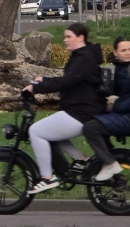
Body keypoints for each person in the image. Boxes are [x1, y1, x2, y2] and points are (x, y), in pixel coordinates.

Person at [22, 22, 106, 194]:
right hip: (81, 111)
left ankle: (47, 178)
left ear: (80, 38)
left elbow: (67, 82)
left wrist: (36, 87)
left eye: (69, 37)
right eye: (65, 36)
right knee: (51, 134)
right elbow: (69, 80)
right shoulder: (83, 55)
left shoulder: (83, 58)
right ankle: (80, 159)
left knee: (36, 131)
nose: (65, 40)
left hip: (81, 113)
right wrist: (44, 81)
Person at [83, 36, 130, 181]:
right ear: (115, 52)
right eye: (123, 50)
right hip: (127, 113)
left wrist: (117, 106)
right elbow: (121, 90)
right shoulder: (121, 66)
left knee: (90, 128)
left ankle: (109, 163)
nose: (128, 53)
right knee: (94, 119)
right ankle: (110, 157)